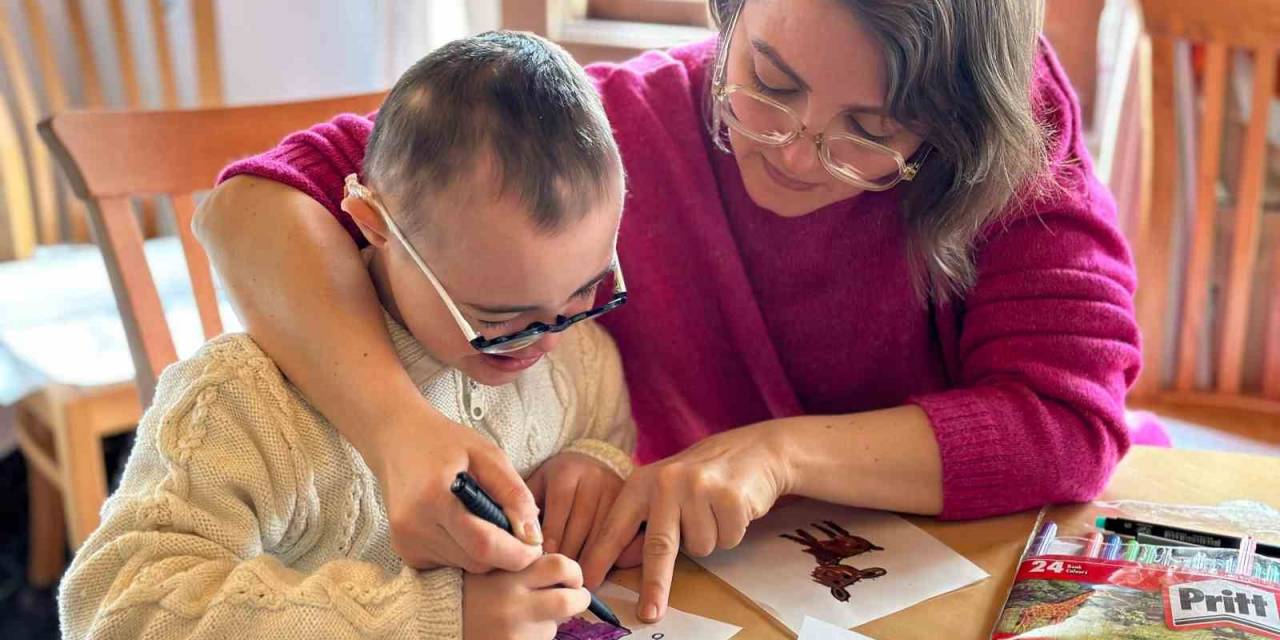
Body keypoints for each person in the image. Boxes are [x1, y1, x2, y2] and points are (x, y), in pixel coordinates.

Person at [194, 0, 1143, 623]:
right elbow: (255, 201)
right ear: (728, 18)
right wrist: (397, 428)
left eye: (873, 131)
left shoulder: (1011, 141)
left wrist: (779, 453)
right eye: (768, 85)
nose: (799, 153)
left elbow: (1066, 418)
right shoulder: (617, 134)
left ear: (958, 125)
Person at [60, 31, 636, 640]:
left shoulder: (578, 360)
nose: (544, 342)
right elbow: (114, 607)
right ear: (372, 222)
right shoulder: (245, 402)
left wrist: (596, 466)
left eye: (584, 294)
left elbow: (608, 428)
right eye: (494, 319)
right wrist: (435, 619)